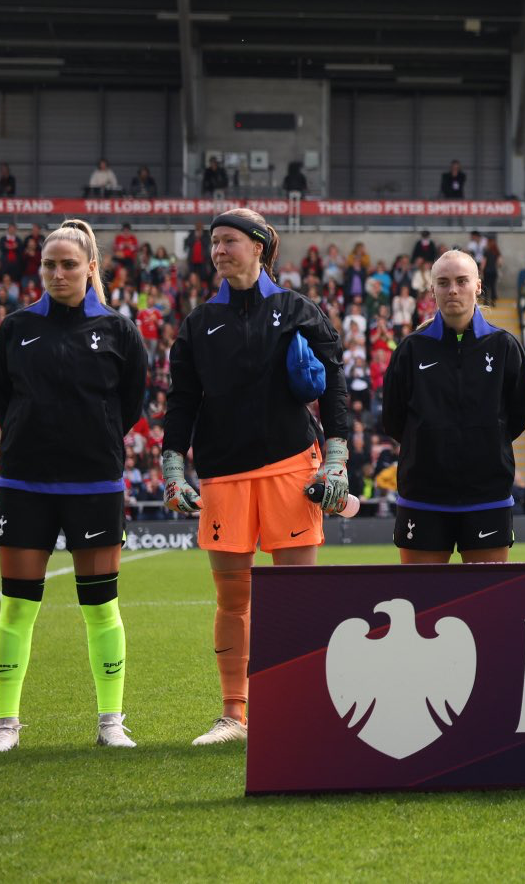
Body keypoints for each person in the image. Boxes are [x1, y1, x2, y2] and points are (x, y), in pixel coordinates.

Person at [161, 207, 350, 745]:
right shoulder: (198, 323)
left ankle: (300, 708)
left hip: (293, 468)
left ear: (260, 247)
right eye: (214, 243)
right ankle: (234, 715)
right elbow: (181, 401)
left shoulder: (297, 309)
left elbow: (334, 381)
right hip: (222, 478)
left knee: (295, 595)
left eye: (228, 241)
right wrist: (174, 467)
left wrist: (335, 458)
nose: (218, 251)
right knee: (232, 600)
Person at [0, 220, 147, 752]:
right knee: (17, 606)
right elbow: (3, 400)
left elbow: (131, 407)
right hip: (25, 483)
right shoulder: (15, 328)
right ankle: (6, 726)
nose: (57, 273)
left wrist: (89, 441)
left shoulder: (120, 331)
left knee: (101, 607)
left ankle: (110, 723)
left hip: (94, 485)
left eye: (68, 264)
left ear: (90, 268)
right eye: (49, 264)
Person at [377, 250, 525, 564]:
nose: (453, 290)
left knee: (487, 605)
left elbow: (518, 415)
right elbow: (394, 421)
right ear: (432, 290)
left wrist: (486, 442)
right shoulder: (410, 349)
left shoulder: (504, 347)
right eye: (443, 283)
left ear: (477, 285)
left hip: (487, 495)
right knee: (422, 605)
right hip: (423, 496)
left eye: (462, 281)